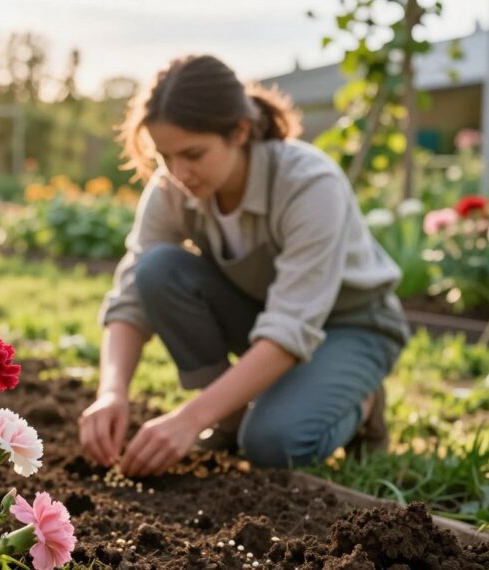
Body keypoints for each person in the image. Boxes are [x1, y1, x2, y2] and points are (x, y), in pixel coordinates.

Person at [78, 54, 410, 478]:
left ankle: (362, 402)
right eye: (164, 156)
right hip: (266, 313)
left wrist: (189, 419)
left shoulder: (309, 183)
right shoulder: (173, 188)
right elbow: (130, 296)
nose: (178, 173)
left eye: (193, 154)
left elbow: (290, 327)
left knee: (273, 443)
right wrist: (112, 392)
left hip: (351, 325)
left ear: (239, 131)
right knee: (158, 270)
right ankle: (231, 419)